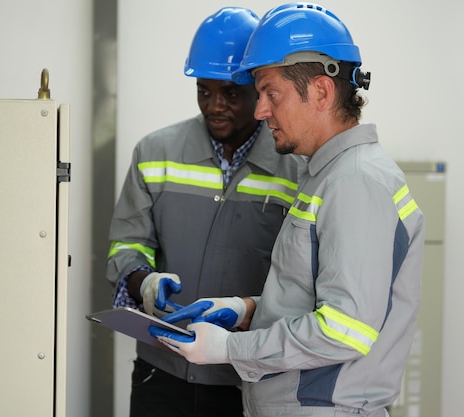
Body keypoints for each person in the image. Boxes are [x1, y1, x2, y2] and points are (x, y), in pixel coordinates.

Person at [150, 3, 426, 417]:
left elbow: (345, 330)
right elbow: (321, 296)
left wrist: (230, 348)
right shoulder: (326, 174)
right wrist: (248, 309)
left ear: (320, 91)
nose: (260, 111)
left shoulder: (356, 181)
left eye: (270, 94)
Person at [106, 6, 301, 417]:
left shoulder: (296, 167)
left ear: (259, 90)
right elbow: (127, 242)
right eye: (204, 91)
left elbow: (304, 280)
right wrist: (143, 281)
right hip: (161, 372)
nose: (214, 106)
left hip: (245, 375)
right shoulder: (154, 152)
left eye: (230, 93)